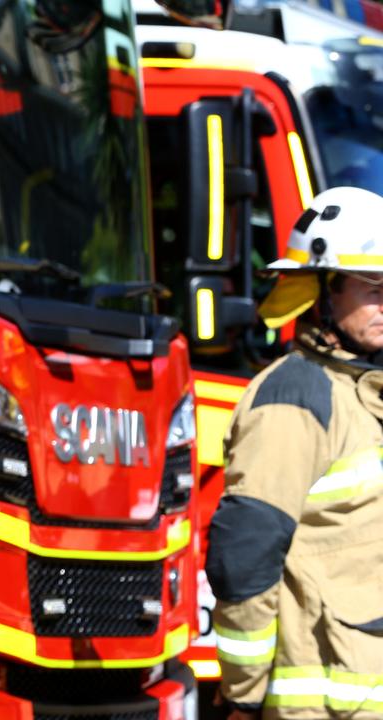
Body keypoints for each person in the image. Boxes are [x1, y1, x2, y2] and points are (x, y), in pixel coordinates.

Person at [206, 185, 383, 718]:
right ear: (322, 289)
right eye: (372, 287)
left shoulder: (364, 391)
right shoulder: (296, 398)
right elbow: (245, 563)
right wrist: (243, 696)